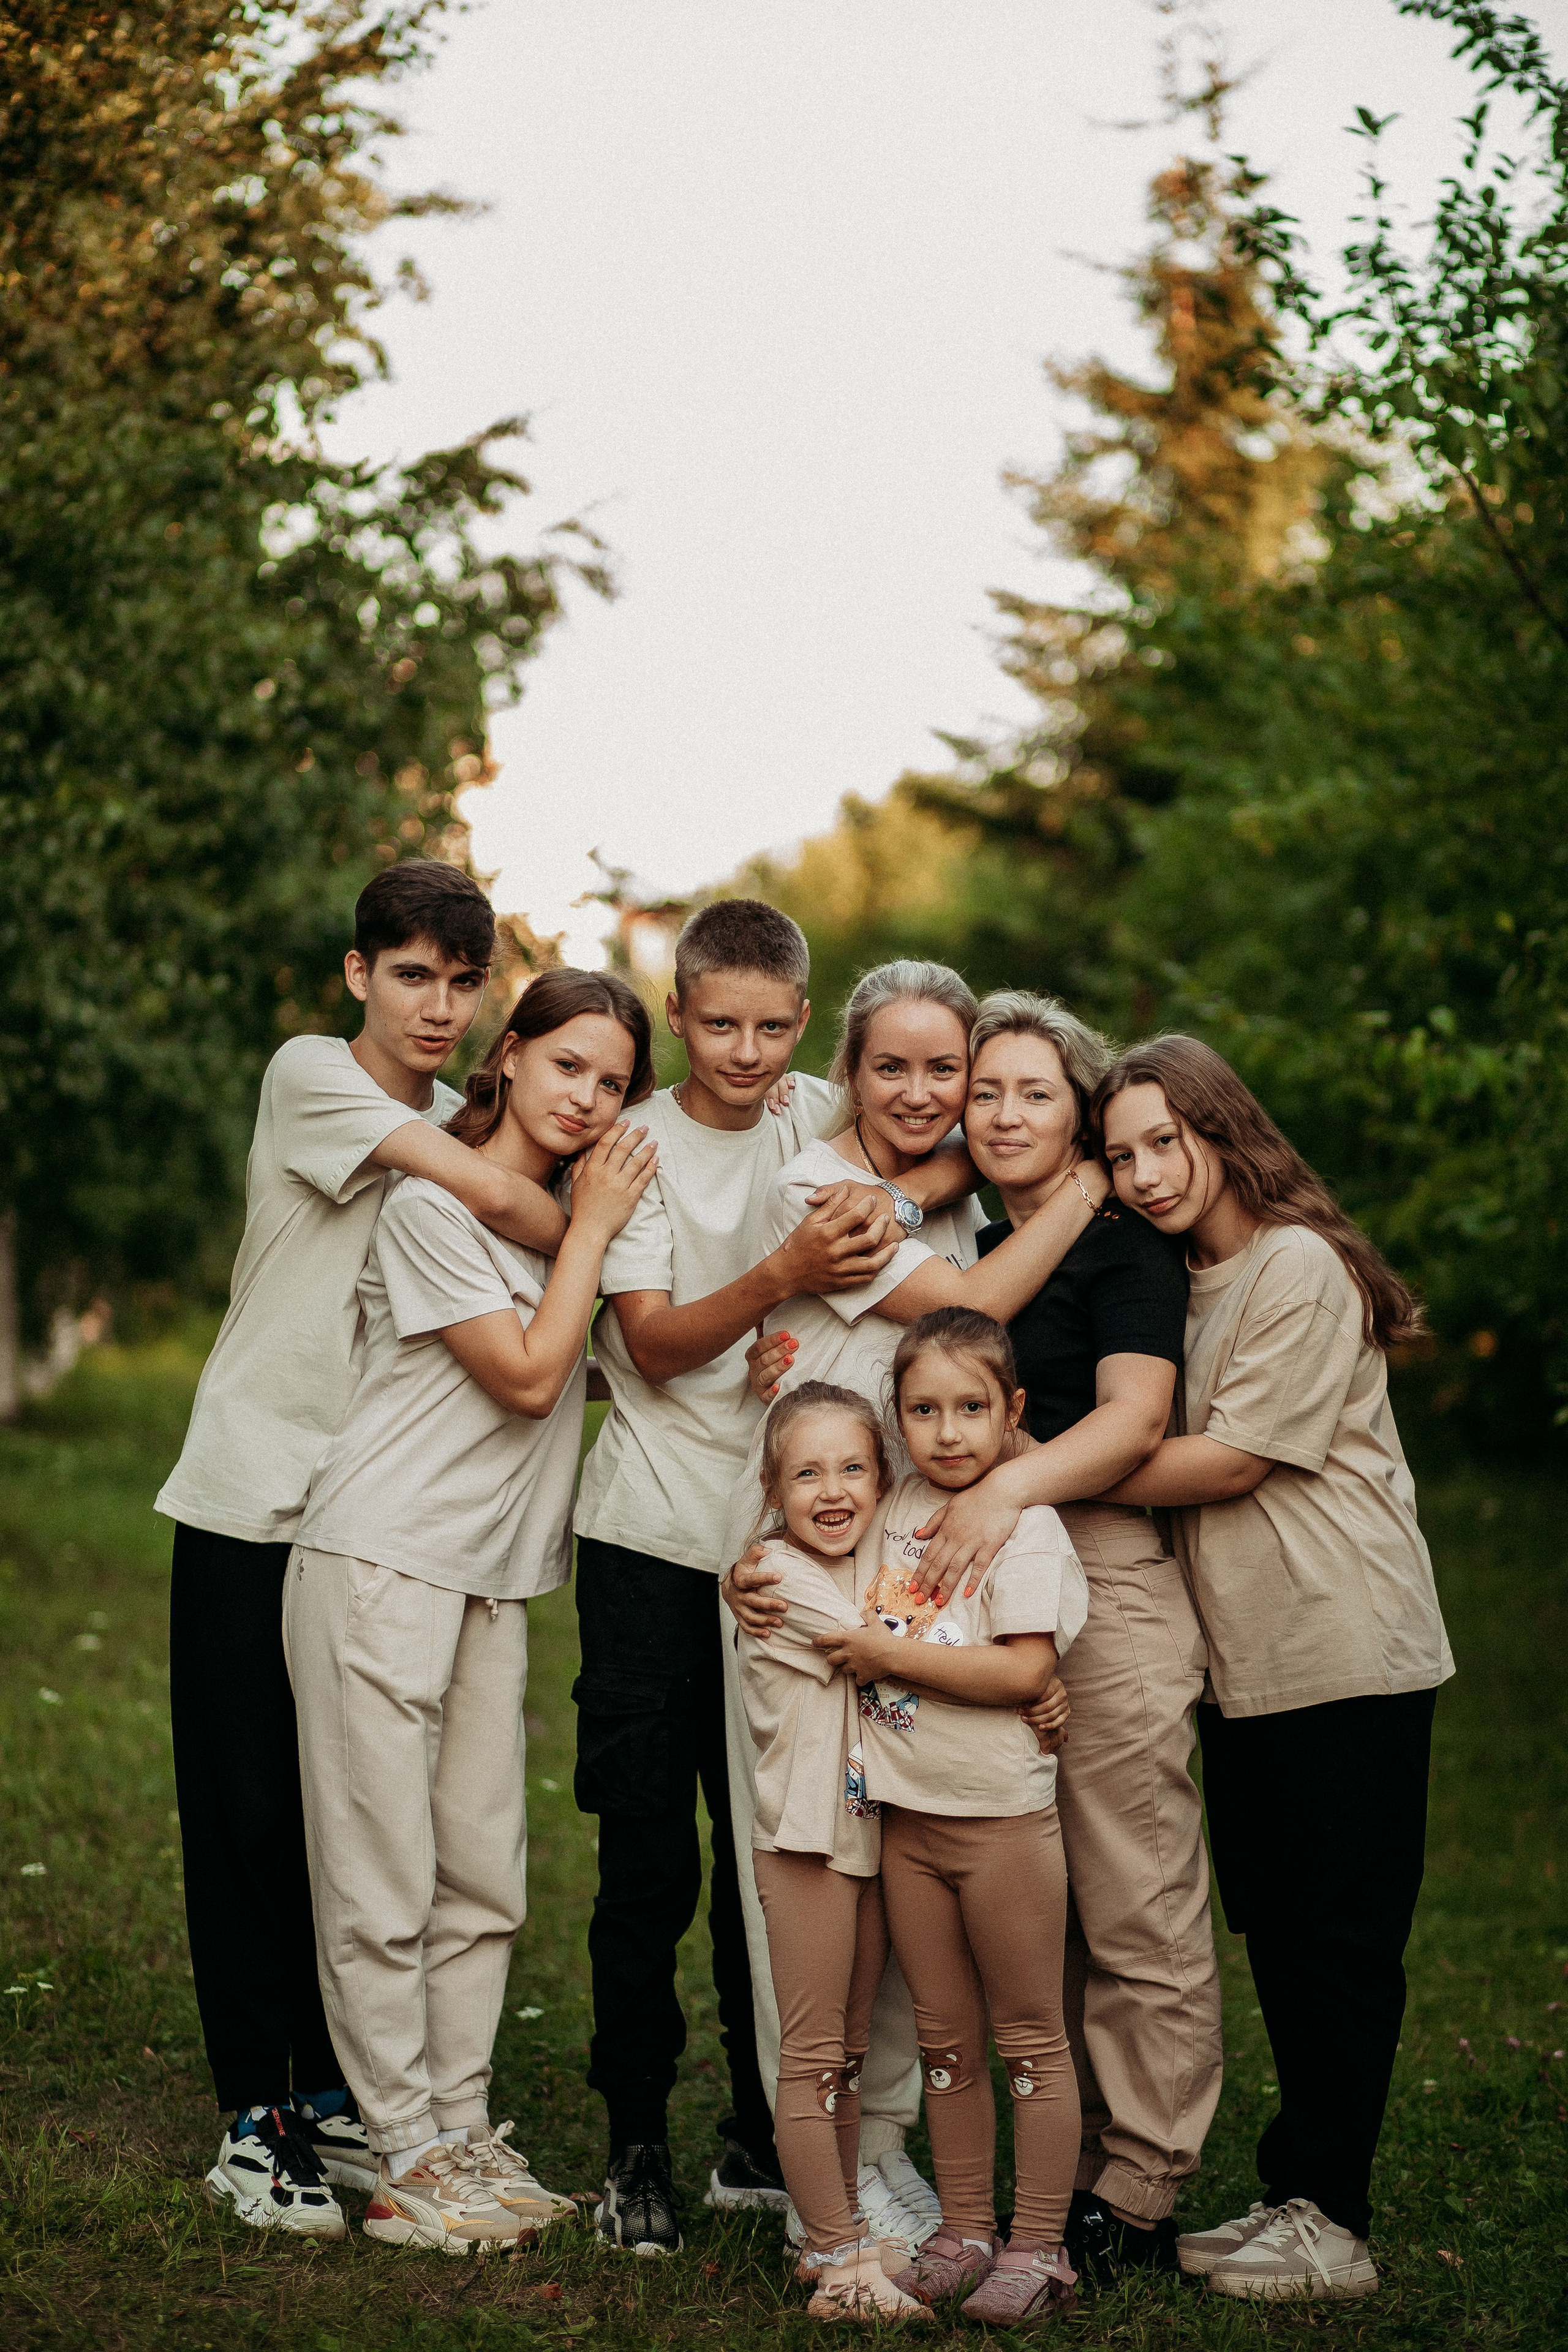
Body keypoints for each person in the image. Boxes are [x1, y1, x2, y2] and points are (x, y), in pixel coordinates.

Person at [156, 861, 577, 2236]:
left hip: (369, 1510)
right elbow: (499, 1199)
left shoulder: (467, 1111)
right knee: (249, 1814)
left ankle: (343, 2101)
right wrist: (597, 1229)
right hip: (250, 1489)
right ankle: (253, 2116)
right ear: (357, 976)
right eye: (412, 975)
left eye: (464, 983)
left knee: (356, 1818)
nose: (437, 1006)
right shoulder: (313, 1079)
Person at [570, 902, 973, 2256]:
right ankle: (634, 2143)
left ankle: (765, 2128)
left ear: (803, 1027)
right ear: (674, 1017)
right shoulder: (640, 1145)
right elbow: (658, 1342)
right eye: (715, 1024)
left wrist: (885, 1216)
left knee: (782, 1846)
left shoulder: (820, 1108)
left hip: (795, 1549)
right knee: (646, 1861)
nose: (742, 1051)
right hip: (650, 1531)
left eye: (767, 1026)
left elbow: (942, 1141)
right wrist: (780, 1279)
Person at [719, 959, 1107, 2253]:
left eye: (946, 1069)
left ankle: (880, 2146)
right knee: (815, 1865)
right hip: (819, 1562)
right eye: (891, 1064)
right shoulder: (816, 1186)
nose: (924, 1091)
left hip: (910, 1576)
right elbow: (964, 1313)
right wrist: (1084, 1189)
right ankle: (817, 2179)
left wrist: (1011, 1658)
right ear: (847, 1066)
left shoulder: (931, 1196)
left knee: (896, 1873)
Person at [285, 969, 657, 2254]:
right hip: (380, 1559)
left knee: (483, 1878)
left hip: (496, 1580)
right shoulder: (432, 1198)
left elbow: (601, 1374)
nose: (586, 1098)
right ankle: (401, 2157)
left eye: (611, 1082)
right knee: (381, 1876)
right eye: (568, 1066)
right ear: (510, 1054)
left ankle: (460, 2129)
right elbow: (526, 1372)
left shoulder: (564, 1221)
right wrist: (599, 1239)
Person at [1093, 1034, 1454, 2302]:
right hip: (1246, 1666)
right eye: (1119, 1154)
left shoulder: (1294, 1264)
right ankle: (1296, 2193)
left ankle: (1335, 2226)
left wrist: (1041, 1470)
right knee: (1285, 1941)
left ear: (1217, 1123)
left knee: (1340, 1946)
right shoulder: (1175, 1278)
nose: (1141, 1173)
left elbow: (1224, 1460)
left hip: (1344, 1644)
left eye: (1161, 1141)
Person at [962, 992, 1222, 2274]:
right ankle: (1061, 2167)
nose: (1004, 1114)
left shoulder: (1119, 1248)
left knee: (1132, 1896)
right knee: (1030, 1901)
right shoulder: (965, 1246)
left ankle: (1141, 2189)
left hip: (1101, 1579)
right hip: (980, 1592)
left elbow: (1132, 1423)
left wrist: (1007, 1479)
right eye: (985, 1092)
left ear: (1075, 1115)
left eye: (1034, 1093)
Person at [813, 1309, 1088, 2326]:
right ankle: (966, 2229)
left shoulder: (1026, 1525)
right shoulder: (892, 1510)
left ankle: (1039, 2246)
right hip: (908, 1825)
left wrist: (891, 1659)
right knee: (944, 2040)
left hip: (1002, 1825)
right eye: (923, 1410)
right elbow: (809, 1523)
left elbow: (1023, 1666)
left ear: (1014, 1413)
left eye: (973, 1408)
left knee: (1027, 2038)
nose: (949, 1431)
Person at [730, 1380, 927, 2324]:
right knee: (813, 2052)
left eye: (853, 1467)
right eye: (807, 1472)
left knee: (848, 2048)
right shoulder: (778, 1575)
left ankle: (836, 2231)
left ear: (884, 1479)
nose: (832, 1489)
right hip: (807, 1839)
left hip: (868, 1830)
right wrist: (1012, 1673)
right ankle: (841, 2265)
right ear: (773, 1490)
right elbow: (898, 1644)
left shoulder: (868, 1562)